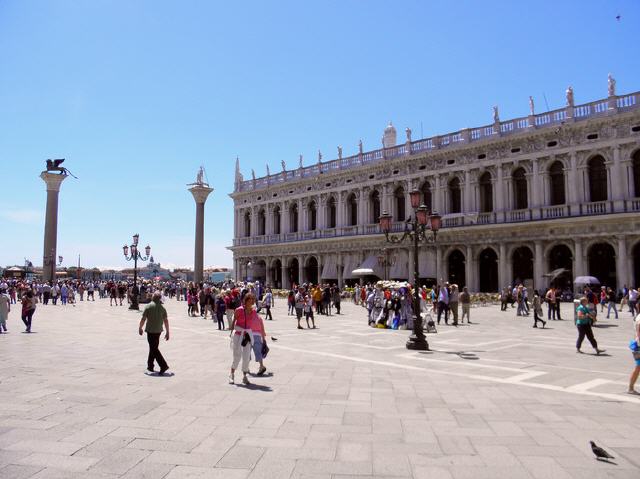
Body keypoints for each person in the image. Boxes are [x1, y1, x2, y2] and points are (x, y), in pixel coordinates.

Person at [229, 292, 260, 385]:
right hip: (238, 335)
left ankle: (244, 376)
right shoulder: (239, 310)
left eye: (252, 300)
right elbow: (234, 321)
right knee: (237, 356)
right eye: (249, 300)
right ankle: (231, 374)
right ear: (245, 301)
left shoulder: (253, 311)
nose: (251, 302)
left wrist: (259, 333)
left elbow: (255, 322)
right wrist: (231, 332)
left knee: (246, 357)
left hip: (247, 336)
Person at [138, 292, 170, 375]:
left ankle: (163, 365)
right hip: (158, 330)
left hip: (150, 330)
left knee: (154, 349)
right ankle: (150, 365)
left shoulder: (148, 306)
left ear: (153, 297)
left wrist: (140, 327)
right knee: (153, 347)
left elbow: (143, 319)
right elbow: (166, 321)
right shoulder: (162, 308)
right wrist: (167, 332)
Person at [628, 313, 640, 395]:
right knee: (637, 367)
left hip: (637, 344)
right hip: (639, 346)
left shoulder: (638, 316)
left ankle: (630, 387)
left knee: (637, 368)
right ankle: (630, 388)